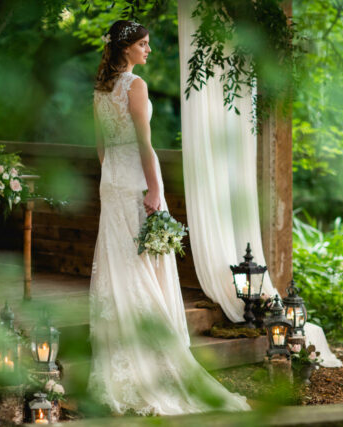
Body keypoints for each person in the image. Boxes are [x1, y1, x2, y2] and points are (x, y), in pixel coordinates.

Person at [87, 20, 250, 416]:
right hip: (136, 185)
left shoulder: (101, 89)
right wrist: (155, 190)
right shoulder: (134, 85)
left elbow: (102, 147)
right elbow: (144, 142)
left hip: (113, 185)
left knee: (122, 267)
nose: (148, 50)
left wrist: (112, 179)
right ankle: (153, 360)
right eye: (143, 44)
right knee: (141, 265)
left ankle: (123, 359)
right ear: (126, 48)